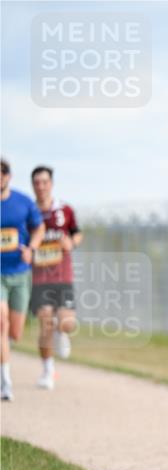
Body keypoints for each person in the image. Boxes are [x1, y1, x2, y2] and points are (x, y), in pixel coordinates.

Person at [30, 165, 82, 390]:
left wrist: (72, 242)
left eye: (44, 182)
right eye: (37, 182)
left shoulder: (65, 210)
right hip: (39, 278)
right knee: (45, 323)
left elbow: (77, 233)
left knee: (67, 323)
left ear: (51, 183)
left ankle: (64, 333)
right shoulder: (28, 212)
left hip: (63, 275)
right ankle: (47, 370)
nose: (41, 186)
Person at [1, 158, 44, 401]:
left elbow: (39, 228)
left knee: (14, 333)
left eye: (2, 173)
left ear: (9, 176)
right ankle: (5, 383)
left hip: (19, 273)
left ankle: (3, 354)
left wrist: (32, 248)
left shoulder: (23, 202)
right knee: (1, 323)